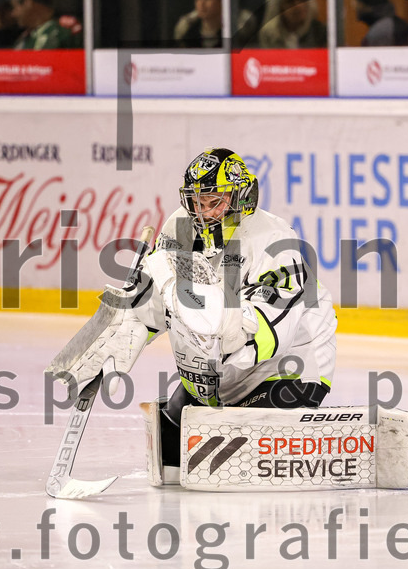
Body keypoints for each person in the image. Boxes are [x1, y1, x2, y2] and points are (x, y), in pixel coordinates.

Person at [141, 148, 338, 481]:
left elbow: (269, 337)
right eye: (197, 203)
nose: (204, 214)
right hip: (220, 374)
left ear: (242, 197)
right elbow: (157, 304)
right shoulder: (178, 228)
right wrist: (123, 334)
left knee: (247, 462)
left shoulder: (276, 242)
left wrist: (213, 321)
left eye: (215, 202)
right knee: (172, 461)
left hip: (287, 366)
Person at [7, 0, 82, 50]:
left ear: (27, 2)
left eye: (15, 7)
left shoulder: (66, 33)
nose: (13, 14)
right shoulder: (23, 41)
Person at [257, 0, 327, 49]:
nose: (298, 6)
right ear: (277, 7)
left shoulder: (320, 32)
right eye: (290, 1)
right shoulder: (266, 35)